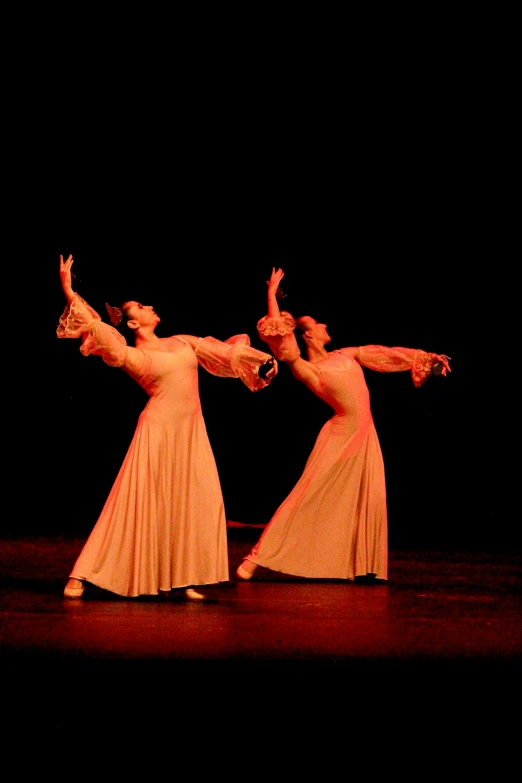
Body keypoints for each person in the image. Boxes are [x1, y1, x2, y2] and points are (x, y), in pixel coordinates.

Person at [57, 254, 278, 601]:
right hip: (157, 432)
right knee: (133, 502)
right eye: (141, 307)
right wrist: (69, 290)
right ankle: (82, 574)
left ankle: (186, 576)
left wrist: (260, 361)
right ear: (132, 324)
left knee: (199, 501)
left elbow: (223, 353)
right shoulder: (132, 355)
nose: (150, 306)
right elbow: (99, 330)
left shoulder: (182, 340)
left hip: (191, 433)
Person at [236, 267, 451, 583]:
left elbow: (383, 355)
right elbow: (283, 343)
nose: (323, 324)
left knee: (362, 497)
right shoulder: (307, 368)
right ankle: (255, 559)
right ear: (309, 334)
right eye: (317, 324)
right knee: (306, 495)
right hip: (340, 434)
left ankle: (351, 564)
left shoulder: (344, 354)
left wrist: (425, 361)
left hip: (364, 433)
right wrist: (271, 295)